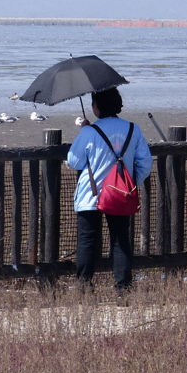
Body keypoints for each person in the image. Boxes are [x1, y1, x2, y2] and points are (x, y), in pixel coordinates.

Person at [66, 88, 152, 295]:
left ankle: (84, 287)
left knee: (87, 240)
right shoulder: (133, 128)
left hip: (91, 195)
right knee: (120, 239)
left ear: (96, 107)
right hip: (121, 194)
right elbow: (145, 164)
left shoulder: (89, 132)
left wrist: (84, 132)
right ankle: (123, 288)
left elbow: (74, 162)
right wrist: (131, 185)